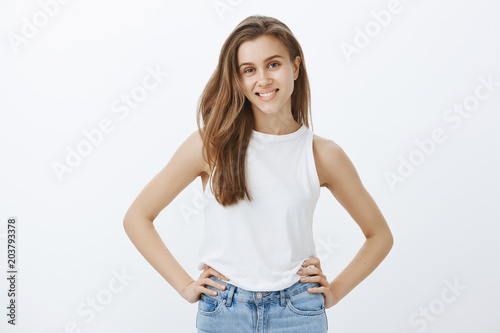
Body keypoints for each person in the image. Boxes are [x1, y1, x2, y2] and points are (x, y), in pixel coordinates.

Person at [123, 15, 393, 333]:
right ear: (237, 80)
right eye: (248, 70)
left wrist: (332, 292)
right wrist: (185, 286)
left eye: (273, 64)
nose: (262, 79)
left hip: (297, 311)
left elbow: (380, 236)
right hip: (224, 310)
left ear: (295, 67)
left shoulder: (323, 155)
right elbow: (137, 217)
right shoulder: (209, 146)